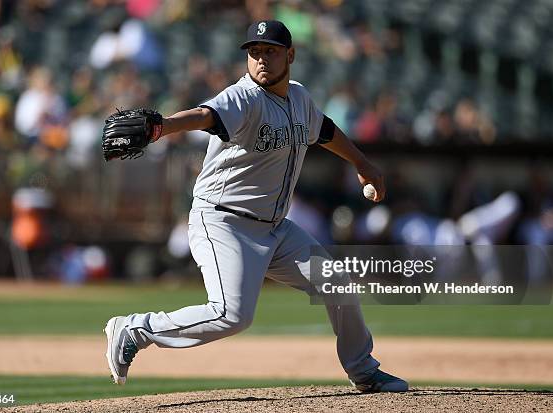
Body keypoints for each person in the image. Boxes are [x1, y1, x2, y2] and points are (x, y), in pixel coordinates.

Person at [104, 20, 408, 392]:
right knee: (231, 315)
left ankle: (363, 369)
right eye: (254, 52)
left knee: (335, 282)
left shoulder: (299, 98)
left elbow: (324, 129)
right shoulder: (243, 97)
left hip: (275, 228)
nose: (261, 59)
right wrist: (161, 127)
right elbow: (206, 116)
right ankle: (135, 329)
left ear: (290, 55)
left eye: (270, 51)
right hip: (223, 222)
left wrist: (362, 163)